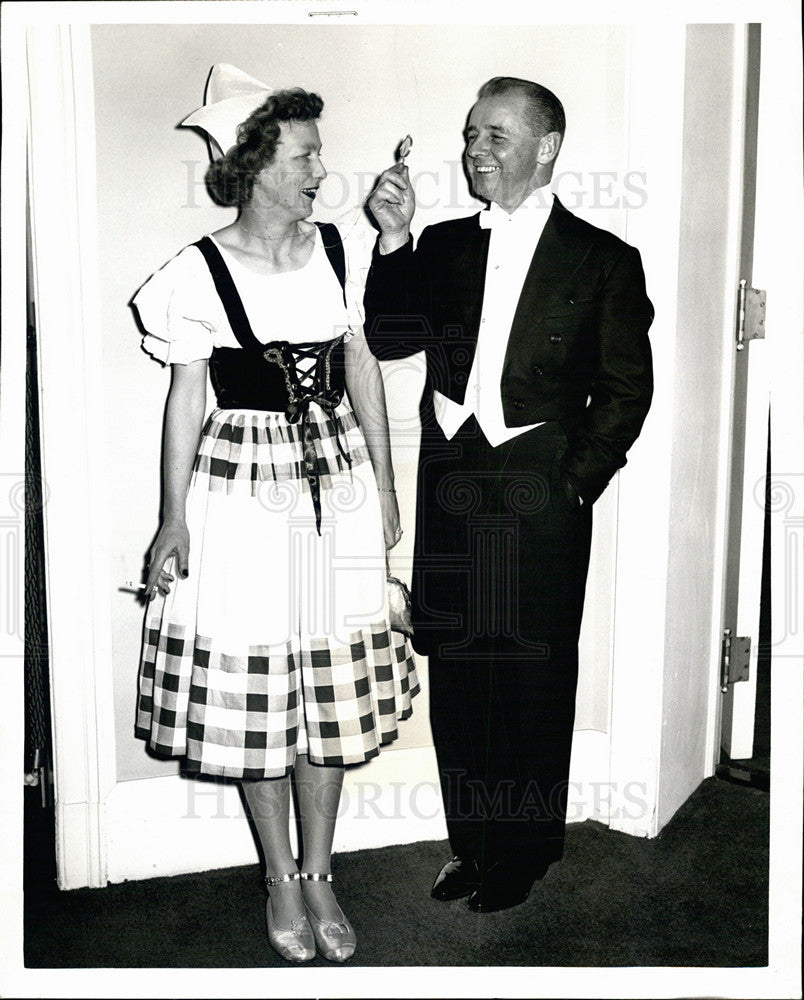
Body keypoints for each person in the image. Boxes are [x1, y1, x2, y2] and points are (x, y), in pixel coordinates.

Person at [133, 64, 419, 963]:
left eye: (319, 154)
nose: (320, 171)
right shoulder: (197, 271)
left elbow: (363, 367)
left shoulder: (337, 250)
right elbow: (185, 400)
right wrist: (171, 519)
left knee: (324, 692)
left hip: (334, 483)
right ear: (255, 167)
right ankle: (279, 878)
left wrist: (387, 479)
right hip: (240, 495)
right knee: (260, 695)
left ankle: (324, 871)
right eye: (304, 155)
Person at [364, 76, 654, 913]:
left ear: (546, 147)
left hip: (541, 489)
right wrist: (393, 241)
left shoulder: (603, 259)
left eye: (494, 135)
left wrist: (573, 488)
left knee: (528, 675)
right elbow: (389, 339)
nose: (474, 151)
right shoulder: (446, 246)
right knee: (459, 671)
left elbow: (626, 391)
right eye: (468, 136)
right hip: (454, 482)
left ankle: (521, 854)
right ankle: (472, 845)